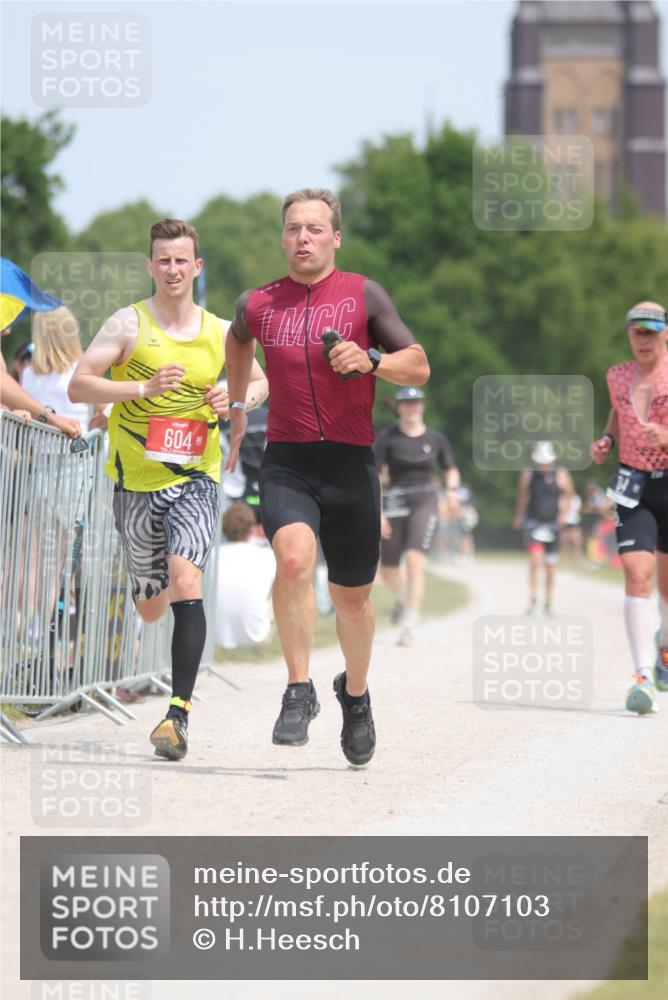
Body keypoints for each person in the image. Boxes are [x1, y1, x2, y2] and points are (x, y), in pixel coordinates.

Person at [224, 187, 429, 765]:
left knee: (353, 601)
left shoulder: (364, 294)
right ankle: (298, 689)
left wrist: (372, 360)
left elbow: (420, 363)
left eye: (315, 228)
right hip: (289, 461)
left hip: (351, 464)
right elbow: (235, 341)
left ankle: (355, 697)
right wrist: (239, 409)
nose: (303, 238)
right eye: (293, 229)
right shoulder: (260, 303)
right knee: (291, 561)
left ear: (335, 236)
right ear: (282, 237)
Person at [68, 218, 268, 759]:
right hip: (134, 483)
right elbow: (79, 382)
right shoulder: (126, 324)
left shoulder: (221, 331)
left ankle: (177, 715)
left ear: (197, 267)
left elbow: (260, 379)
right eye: (164, 260)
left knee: (186, 580)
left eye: (183, 260)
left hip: (196, 479)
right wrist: (141, 386)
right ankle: (143, 587)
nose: (173, 269)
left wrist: (235, 398)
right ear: (150, 266)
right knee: (152, 604)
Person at [590, 301, 668, 715]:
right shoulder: (617, 375)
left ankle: (664, 648)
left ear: (665, 334)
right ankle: (641, 677)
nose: (644, 339)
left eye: (652, 332)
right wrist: (606, 440)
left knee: (667, 589)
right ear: (629, 335)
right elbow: (617, 415)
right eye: (638, 332)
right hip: (632, 483)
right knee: (638, 573)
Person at [377, 386, 459, 646]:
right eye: (407, 403)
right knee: (389, 570)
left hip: (425, 500)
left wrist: (452, 492)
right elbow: (375, 477)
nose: (412, 407)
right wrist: (378, 511)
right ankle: (404, 601)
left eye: (416, 403)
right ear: (399, 408)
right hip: (393, 503)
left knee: (414, 561)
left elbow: (450, 470)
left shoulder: (436, 438)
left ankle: (408, 624)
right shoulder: (387, 438)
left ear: (422, 406)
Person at [512, 440, 575, 615]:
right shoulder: (528, 474)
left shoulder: (561, 474)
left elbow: (570, 496)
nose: (543, 465)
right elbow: (523, 496)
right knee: (535, 561)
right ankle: (533, 599)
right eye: (540, 462)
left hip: (553, 526)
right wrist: (519, 515)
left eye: (546, 462)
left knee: (549, 565)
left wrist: (565, 513)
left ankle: (548, 601)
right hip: (533, 523)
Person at [22, 307, 99, 434]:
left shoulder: (28, 373)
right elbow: (108, 410)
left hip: (36, 450)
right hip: (76, 449)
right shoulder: (82, 370)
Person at [216, 502, 275, 649]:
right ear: (251, 528)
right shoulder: (267, 556)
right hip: (258, 638)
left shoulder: (212, 558)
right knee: (278, 590)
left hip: (213, 638)